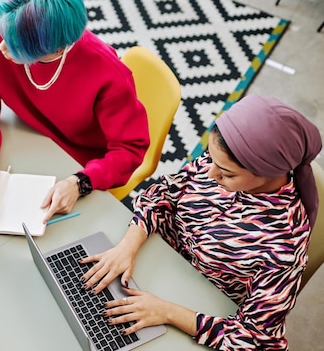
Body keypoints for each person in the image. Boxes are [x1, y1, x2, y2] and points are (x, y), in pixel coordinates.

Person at [80, 94, 322, 350]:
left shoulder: (283, 245)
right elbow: (161, 195)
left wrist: (168, 312)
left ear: (267, 172)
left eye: (226, 173)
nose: (209, 172)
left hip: (200, 310)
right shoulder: (217, 162)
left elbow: (255, 339)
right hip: (156, 268)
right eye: (211, 157)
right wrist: (127, 247)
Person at [0, 0, 150, 221]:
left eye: (15, 46)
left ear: (56, 50)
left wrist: (80, 183)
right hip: (27, 141)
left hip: (80, 163)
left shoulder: (107, 72)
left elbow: (130, 150)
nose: (2, 47)